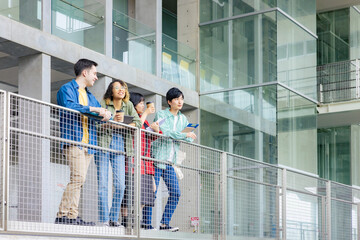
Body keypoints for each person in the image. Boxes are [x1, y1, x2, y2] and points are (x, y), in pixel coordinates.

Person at [55, 59, 112, 226]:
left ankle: (72, 215)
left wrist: (106, 116)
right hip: (73, 141)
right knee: (78, 178)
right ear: (85, 73)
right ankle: (62, 215)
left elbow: (97, 118)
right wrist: (95, 109)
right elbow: (70, 106)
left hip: (88, 144)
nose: (96, 77)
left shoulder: (89, 96)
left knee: (80, 180)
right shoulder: (67, 89)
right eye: (94, 73)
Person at [149, 87, 197, 232]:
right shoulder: (161, 115)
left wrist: (189, 136)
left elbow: (188, 138)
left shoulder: (183, 119)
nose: (180, 101)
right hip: (157, 159)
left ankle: (164, 223)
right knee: (152, 193)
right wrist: (184, 135)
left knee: (176, 193)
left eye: (181, 98)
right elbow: (167, 132)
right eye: (176, 99)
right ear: (169, 101)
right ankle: (146, 224)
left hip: (170, 162)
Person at [96, 80, 142, 227]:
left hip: (120, 142)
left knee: (120, 185)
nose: (121, 90)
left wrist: (125, 123)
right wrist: (112, 121)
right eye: (117, 87)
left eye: (123, 88)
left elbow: (139, 123)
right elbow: (96, 123)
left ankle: (113, 218)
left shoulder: (128, 105)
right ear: (111, 90)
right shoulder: (104, 103)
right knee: (103, 183)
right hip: (104, 142)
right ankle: (104, 220)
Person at [129, 93, 160, 230]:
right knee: (138, 194)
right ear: (134, 104)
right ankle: (133, 220)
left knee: (150, 191)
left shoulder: (145, 120)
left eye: (144, 103)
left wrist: (156, 130)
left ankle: (136, 218)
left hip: (146, 162)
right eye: (141, 103)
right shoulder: (134, 117)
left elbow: (150, 138)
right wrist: (147, 112)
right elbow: (136, 128)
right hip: (137, 161)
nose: (143, 105)